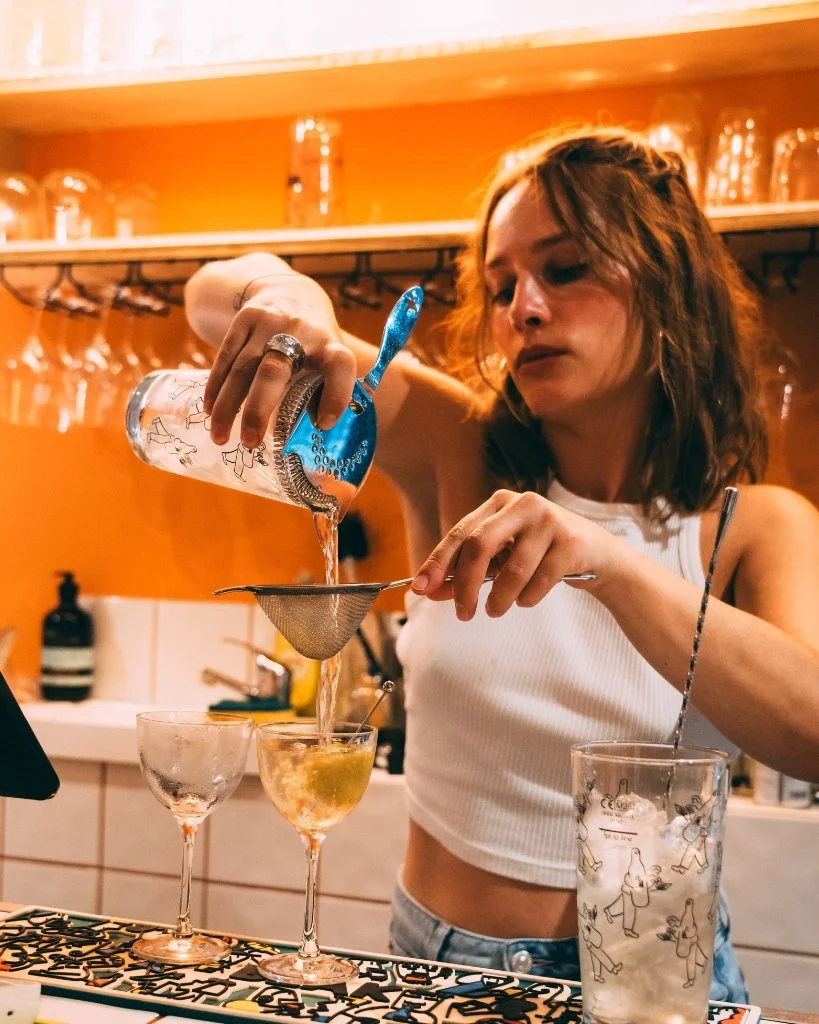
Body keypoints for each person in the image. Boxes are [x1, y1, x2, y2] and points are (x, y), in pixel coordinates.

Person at [184, 126, 819, 1001]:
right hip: (435, 970)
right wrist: (287, 299)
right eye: (500, 286)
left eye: (565, 270)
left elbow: (812, 731)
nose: (522, 307)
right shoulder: (461, 452)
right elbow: (208, 296)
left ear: (668, 289)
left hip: (650, 981)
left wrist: (608, 562)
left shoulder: (755, 528)